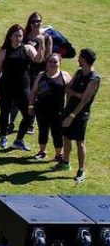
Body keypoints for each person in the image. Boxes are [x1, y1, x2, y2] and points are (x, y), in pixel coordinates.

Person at [0, 24, 37, 151]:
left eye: (21, 36)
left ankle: (19, 140)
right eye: (16, 36)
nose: (18, 38)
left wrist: (43, 43)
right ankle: (3, 137)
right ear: (10, 37)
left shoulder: (27, 49)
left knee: (29, 114)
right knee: (5, 113)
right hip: (6, 87)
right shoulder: (4, 52)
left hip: (23, 87)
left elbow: (39, 60)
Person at [61, 48, 99, 183]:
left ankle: (81, 170)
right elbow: (67, 88)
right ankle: (65, 162)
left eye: (80, 57)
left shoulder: (94, 79)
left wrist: (72, 116)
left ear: (84, 59)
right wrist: (76, 94)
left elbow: (85, 101)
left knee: (79, 142)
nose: (78, 59)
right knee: (66, 137)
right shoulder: (78, 73)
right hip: (69, 109)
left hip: (80, 114)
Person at [30, 53, 70, 164]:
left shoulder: (65, 76)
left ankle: (58, 154)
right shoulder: (41, 75)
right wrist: (31, 105)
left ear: (60, 63)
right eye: (50, 61)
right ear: (46, 63)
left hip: (58, 111)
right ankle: (42, 151)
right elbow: (34, 92)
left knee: (57, 133)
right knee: (43, 131)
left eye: (55, 62)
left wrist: (69, 109)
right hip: (41, 109)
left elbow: (70, 93)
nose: (53, 64)